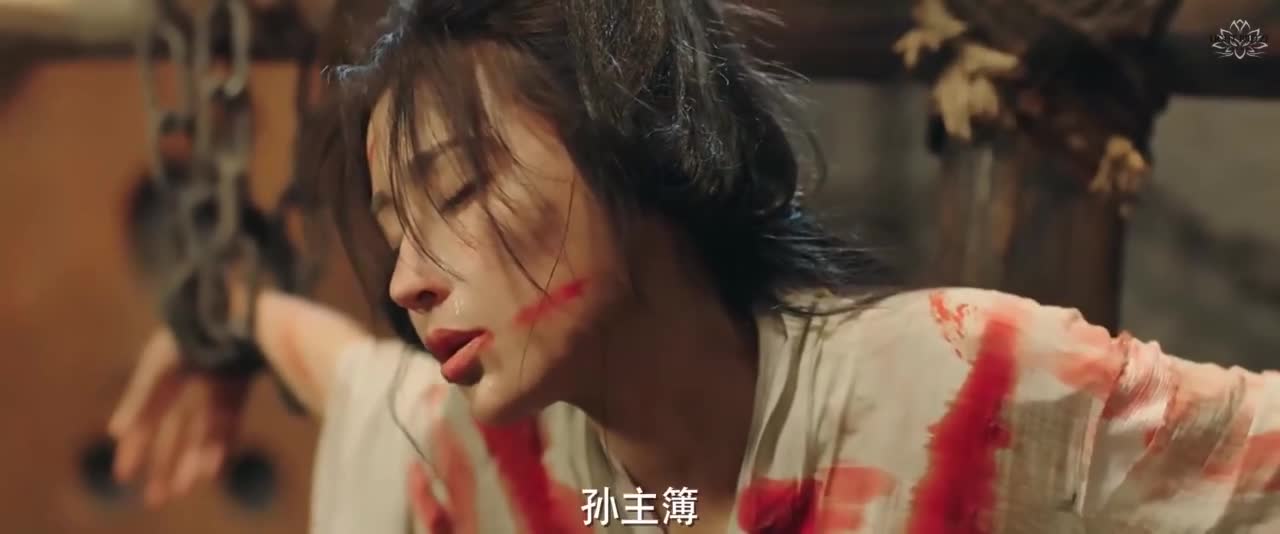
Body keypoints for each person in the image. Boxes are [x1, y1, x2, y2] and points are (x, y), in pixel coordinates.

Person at [107, 1, 1280, 532]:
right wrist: (223, 322)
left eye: (458, 190)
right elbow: (347, 375)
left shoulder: (957, 385)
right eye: (395, 227)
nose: (410, 278)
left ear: (639, 141)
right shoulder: (501, 453)